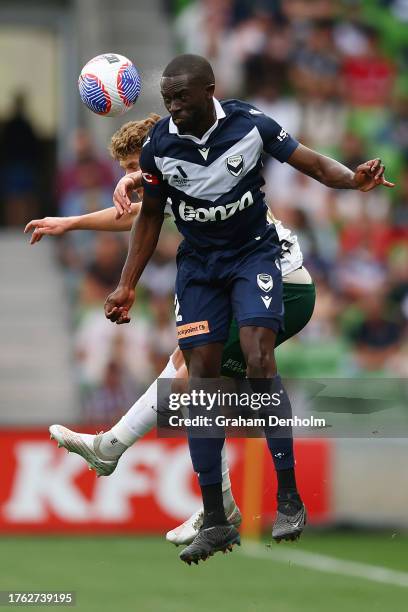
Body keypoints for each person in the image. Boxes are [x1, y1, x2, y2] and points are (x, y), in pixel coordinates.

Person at [101, 54, 394, 564]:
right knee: (201, 380)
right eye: (167, 99)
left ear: (209, 89)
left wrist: (353, 180)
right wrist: (127, 285)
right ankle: (215, 519)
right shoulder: (158, 148)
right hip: (198, 269)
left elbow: (312, 163)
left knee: (260, 357)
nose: (173, 107)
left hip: (252, 254)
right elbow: (149, 219)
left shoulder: (251, 125)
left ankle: (288, 497)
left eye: (181, 98)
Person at [25, 114, 316, 548]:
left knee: (192, 383)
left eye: (131, 167)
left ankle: (204, 495)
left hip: (283, 286)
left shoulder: (190, 169)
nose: (129, 178)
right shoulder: (173, 176)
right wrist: (70, 223)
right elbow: (140, 214)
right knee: (185, 362)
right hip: (251, 281)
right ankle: (124, 454)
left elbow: (141, 213)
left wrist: (81, 220)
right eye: (124, 170)